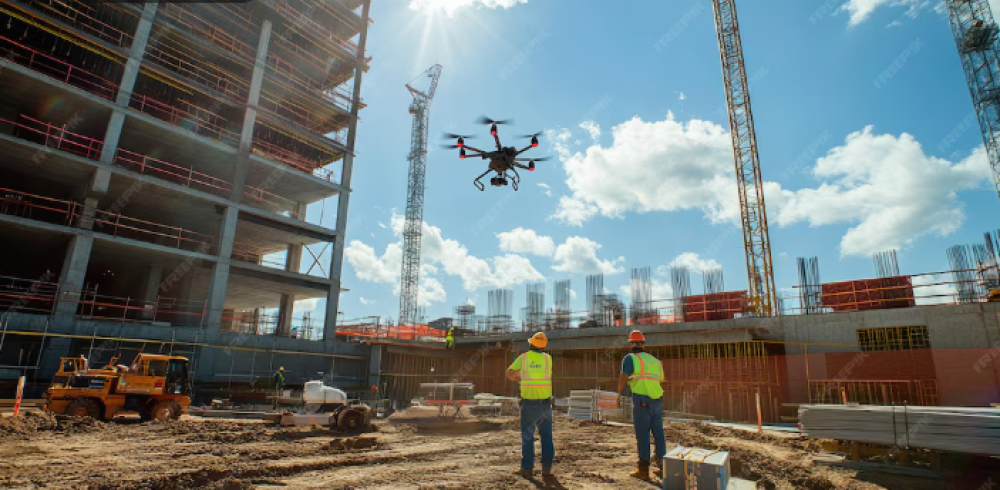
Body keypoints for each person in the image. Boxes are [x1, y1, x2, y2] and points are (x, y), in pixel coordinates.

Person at [617, 329, 666, 480]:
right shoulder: (655, 361)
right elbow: (661, 380)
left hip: (642, 400)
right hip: (657, 400)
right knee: (658, 433)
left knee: (643, 433)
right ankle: (664, 467)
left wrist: (618, 394)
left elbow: (623, 376)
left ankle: (643, 470)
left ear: (631, 344)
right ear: (643, 344)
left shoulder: (630, 358)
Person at [505, 332, 554, 479]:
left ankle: (527, 469)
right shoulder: (548, 359)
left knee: (528, 437)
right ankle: (546, 469)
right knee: (546, 437)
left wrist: (519, 378)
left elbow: (509, 373)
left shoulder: (524, 358)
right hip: (545, 405)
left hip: (529, 404)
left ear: (531, 343)